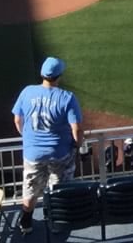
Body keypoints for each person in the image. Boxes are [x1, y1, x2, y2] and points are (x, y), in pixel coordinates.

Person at [13, 56, 84, 236]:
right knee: (58, 188)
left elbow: (17, 119)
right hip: (60, 152)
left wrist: (27, 137)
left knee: (30, 190)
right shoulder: (67, 97)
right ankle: (56, 220)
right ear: (59, 76)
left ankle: (26, 222)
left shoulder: (27, 91)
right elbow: (77, 129)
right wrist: (77, 145)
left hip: (33, 153)